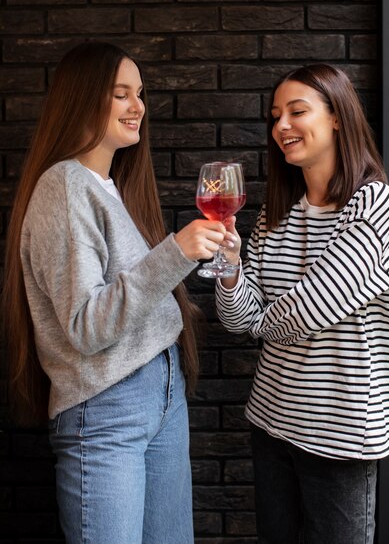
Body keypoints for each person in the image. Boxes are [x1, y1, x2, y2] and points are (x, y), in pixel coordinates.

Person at [3, 41, 231, 544]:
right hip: (107, 407)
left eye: (140, 94)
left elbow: (135, 298)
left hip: (163, 397)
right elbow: (87, 325)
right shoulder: (64, 185)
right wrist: (176, 253)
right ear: (83, 98)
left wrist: (207, 261)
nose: (139, 107)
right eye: (121, 93)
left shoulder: (110, 187)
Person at [215, 63, 389, 544]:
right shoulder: (273, 214)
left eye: (297, 111)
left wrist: (262, 319)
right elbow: (236, 317)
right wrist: (232, 265)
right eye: (275, 115)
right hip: (271, 421)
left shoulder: (373, 204)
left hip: (340, 434)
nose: (281, 126)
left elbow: (310, 310)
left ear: (338, 116)